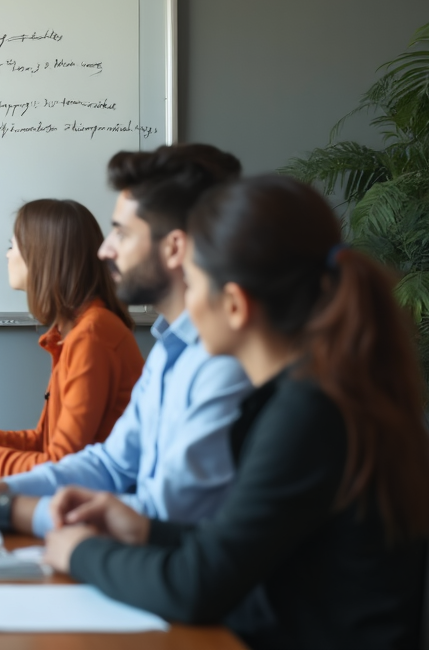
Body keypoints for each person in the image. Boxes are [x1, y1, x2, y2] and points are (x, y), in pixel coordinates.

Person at [42, 175, 429, 649]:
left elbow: (196, 586)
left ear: (234, 306)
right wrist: (146, 529)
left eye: (194, 283)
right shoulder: (315, 394)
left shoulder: (308, 414)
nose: (186, 305)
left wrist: (79, 552)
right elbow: (234, 548)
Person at [0, 144, 251, 538]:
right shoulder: (166, 350)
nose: (106, 250)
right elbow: (106, 463)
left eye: (122, 232)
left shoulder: (113, 338)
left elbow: (160, 515)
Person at [0, 199, 143, 480]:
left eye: (13, 245)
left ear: (43, 255)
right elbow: (45, 442)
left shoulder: (92, 337)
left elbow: (59, 465)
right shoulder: (78, 331)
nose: (8, 255)